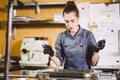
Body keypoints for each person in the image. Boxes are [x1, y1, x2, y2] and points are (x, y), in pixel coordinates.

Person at [43, 1, 105, 70]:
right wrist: (51, 54)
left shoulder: (88, 35)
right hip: (68, 75)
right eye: (66, 21)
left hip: (84, 75)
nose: (69, 24)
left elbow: (93, 63)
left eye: (72, 21)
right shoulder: (61, 37)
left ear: (78, 18)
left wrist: (96, 50)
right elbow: (59, 63)